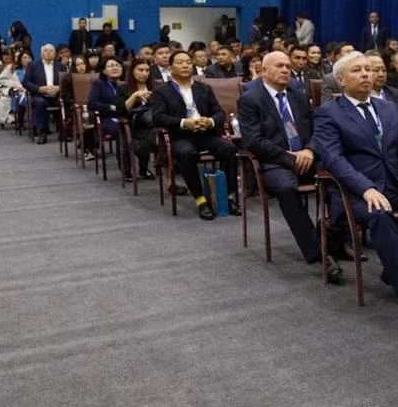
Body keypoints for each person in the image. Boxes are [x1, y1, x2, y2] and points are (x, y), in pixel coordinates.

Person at [311, 51, 398, 328]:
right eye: (357, 70)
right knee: (381, 214)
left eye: (368, 70)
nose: (366, 75)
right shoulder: (328, 113)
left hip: (395, 185)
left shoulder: (388, 108)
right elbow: (334, 160)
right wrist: (366, 188)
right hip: (355, 192)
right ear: (340, 80)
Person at [238, 51, 324, 270]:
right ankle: (315, 251)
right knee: (286, 188)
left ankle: (335, 238)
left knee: (340, 176)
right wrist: (289, 158)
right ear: (264, 71)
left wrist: (310, 150)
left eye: (287, 66)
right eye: (279, 66)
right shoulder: (250, 99)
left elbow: (319, 128)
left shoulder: (298, 95)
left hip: (306, 156)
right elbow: (253, 141)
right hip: (275, 161)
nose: (285, 70)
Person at [150, 50, 237, 220]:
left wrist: (210, 121)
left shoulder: (203, 88)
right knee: (186, 153)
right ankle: (201, 200)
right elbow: (158, 117)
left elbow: (219, 112)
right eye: (180, 62)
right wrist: (184, 122)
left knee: (229, 148)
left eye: (188, 62)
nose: (185, 65)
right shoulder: (162, 91)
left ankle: (229, 197)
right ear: (171, 67)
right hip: (181, 135)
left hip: (205, 134)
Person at [118, 60, 158, 181]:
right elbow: (121, 110)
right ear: (132, 71)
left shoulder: (155, 87)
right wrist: (134, 96)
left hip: (152, 123)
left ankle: (146, 168)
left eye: (147, 70)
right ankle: (127, 170)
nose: (144, 73)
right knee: (126, 129)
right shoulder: (123, 88)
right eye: (140, 70)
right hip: (132, 122)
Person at [86, 57, 126, 167]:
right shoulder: (99, 84)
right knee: (121, 129)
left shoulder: (126, 84)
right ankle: (124, 163)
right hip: (108, 118)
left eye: (117, 65)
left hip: (126, 117)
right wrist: (111, 107)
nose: (115, 68)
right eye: (111, 66)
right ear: (104, 71)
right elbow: (92, 104)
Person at [23, 43, 64, 143]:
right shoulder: (33, 65)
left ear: (55, 54)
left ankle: (64, 132)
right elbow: (26, 82)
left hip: (56, 95)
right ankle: (42, 132)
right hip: (39, 95)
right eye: (46, 51)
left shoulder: (61, 66)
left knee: (65, 102)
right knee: (40, 103)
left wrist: (59, 88)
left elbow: (67, 82)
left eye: (51, 51)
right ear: (41, 53)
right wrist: (39, 89)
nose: (48, 53)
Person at [364, 51, 398, 126]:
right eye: (376, 70)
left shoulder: (394, 93)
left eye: (384, 70)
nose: (381, 74)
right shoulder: (362, 95)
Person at [0, 47, 21, 128]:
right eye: (5, 55)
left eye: (9, 55)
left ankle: (13, 114)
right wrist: (2, 74)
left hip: (13, 86)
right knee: (7, 95)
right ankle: (5, 117)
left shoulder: (14, 65)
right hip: (0, 86)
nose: (7, 57)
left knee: (17, 92)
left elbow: (16, 79)